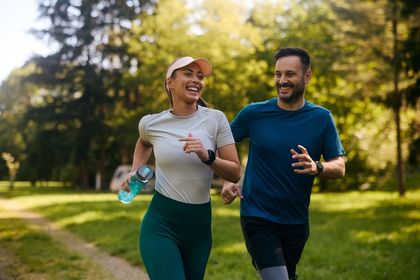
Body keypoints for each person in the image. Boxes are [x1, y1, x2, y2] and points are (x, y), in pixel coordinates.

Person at [221, 47, 346, 280]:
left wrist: (317, 167)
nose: (282, 80)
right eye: (278, 74)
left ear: (307, 76)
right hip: (257, 216)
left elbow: (339, 166)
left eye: (289, 74)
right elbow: (222, 142)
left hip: (296, 221)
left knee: (288, 276)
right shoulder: (253, 114)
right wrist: (230, 178)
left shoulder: (321, 118)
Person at [121, 56, 241, 280]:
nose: (196, 80)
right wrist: (134, 170)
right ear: (170, 82)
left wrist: (208, 157)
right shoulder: (151, 123)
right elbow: (143, 142)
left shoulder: (216, 119)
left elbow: (235, 171)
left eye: (200, 76)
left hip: (199, 228)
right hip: (161, 224)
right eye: (188, 74)